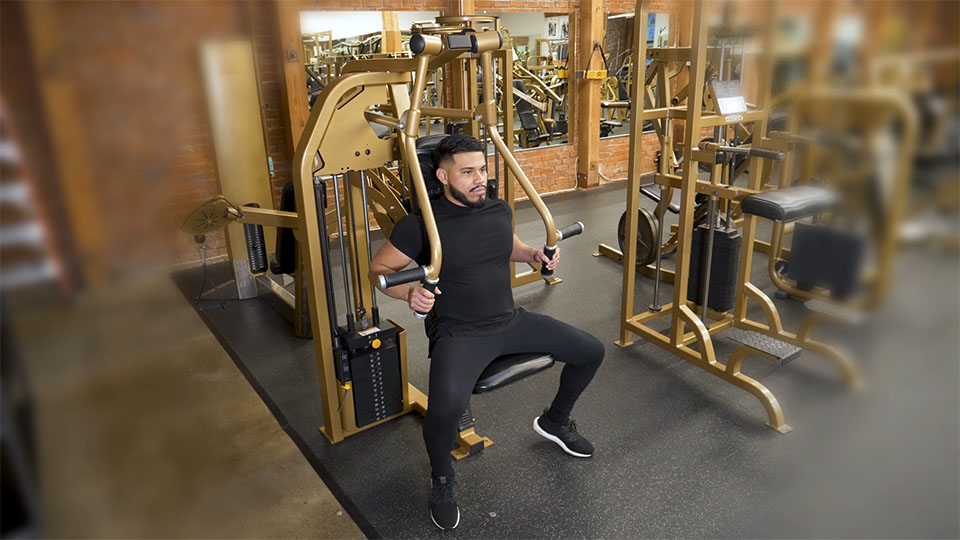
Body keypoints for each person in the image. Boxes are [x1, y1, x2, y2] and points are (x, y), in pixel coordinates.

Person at [368, 134, 604, 531]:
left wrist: (534, 255)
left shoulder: (496, 209)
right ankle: (442, 478)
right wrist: (409, 292)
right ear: (442, 176)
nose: (480, 179)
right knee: (444, 411)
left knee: (591, 352)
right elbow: (378, 271)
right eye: (467, 172)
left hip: (509, 321)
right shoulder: (419, 225)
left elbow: (505, 244)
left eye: (482, 169)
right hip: (460, 333)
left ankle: (556, 422)